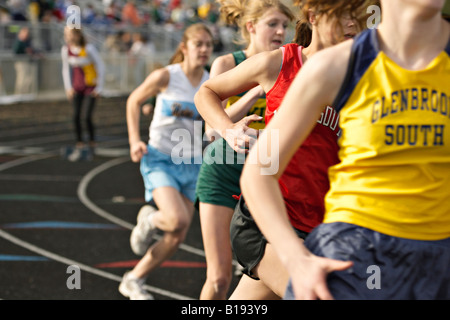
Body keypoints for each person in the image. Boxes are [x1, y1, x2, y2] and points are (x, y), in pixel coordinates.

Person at [240, 0, 450, 300]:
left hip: (438, 256)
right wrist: (297, 260)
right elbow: (259, 172)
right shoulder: (339, 64)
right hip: (356, 250)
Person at [195, 0, 370, 299]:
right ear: (314, 17)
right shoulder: (278, 62)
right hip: (266, 223)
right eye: (344, 15)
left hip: (318, 225)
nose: (353, 24)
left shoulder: (360, 82)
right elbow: (206, 92)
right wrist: (229, 130)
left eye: (358, 16)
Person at [194, 0, 295, 300]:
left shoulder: (285, 65)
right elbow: (210, 130)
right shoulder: (228, 63)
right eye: (272, 24)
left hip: (266, 179)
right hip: (224, 173)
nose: (280, 31)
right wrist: (252, 93)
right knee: (219, 277)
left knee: (267, 277)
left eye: (284, 25)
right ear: (251, 27)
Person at [118, 23, 214, 300]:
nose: (205, 49)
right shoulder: (167, 76)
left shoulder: (211, 82)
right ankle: (149, 219)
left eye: (209, 44)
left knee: (179, 232)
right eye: (199, 44)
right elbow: (134, 101)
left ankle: (134, 278)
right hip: (160, 158)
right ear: (184, 47)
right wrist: (135, 140)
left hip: (193, 163)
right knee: (175, 218)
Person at [61, 27, 105, 162]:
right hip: (76, 88)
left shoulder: (89, 49)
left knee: (86, 117)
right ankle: (80, 143)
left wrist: (99, 87)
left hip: (90, 88)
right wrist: (68, 88)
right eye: (66, 34)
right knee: (75, 117)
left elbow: (101, 66)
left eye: (69, 34)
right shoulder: (65, 50)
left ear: (77, 35)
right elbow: (65, 69)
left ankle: (92, 142)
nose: (67, 37)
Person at [13, 26, 41, 95]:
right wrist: (26, 50)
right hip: (21, 63)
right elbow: (16, 51)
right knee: (21, 79)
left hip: (28, 62)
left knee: (28, 80)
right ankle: (19, 94)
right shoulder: (19, 41)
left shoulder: (28, 42)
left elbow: (32, 50)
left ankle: (26, 94)